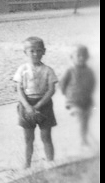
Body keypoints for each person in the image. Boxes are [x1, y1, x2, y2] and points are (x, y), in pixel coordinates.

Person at [13, 36, 57, 168]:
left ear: (44, 51)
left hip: (44, 104)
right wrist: (27, 106)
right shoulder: (22, 69)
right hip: (26, 105)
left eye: (39, 50)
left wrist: (38, 105)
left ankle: (50, 163)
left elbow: (51, 90)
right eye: (32, 51)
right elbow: (19, 90)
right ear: (25, 52)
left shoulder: (48, 70)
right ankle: (27, 164)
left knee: (46, 136)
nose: (36, 54)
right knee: (28, 139)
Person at [60, 44, 96, 147]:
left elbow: (92, 83)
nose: (81, 58)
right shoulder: (70, 70)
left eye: (84, 55)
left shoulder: (89, 71)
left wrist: (89, 95)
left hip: (86, 100)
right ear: (72, 57)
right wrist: (66, 94)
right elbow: (62, 83)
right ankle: (80, 139)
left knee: (85, 121)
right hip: (73, 100)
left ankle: (84, 138)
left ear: (87, 57)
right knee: (80, 117)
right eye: (78, 55)